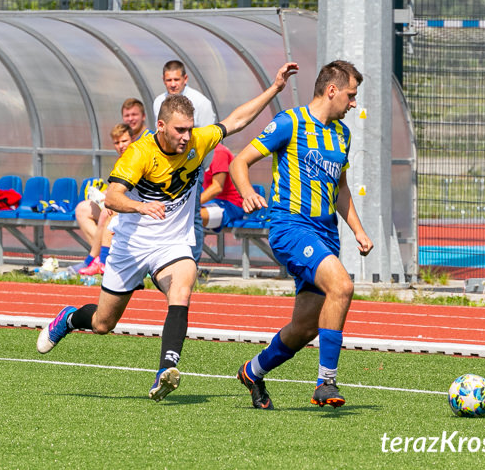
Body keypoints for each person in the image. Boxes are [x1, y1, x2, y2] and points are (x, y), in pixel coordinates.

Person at [38, 61, 299, 403]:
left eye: (190, 129)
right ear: (161, 126)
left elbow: (236, 120)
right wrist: (141, 206)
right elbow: (114, 196)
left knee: (183, 284)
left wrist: (274, 88)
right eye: (179, 130)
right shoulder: (139, 154)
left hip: (172, 243)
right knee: (103, 323)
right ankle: (69, 319)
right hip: (132, 244)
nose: (186, 137)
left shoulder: (197, 141)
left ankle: (166, 369)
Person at [231, 60, 373, 410]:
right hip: (291, 226)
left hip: (327, 234)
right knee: (342, 286)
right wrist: (247, 190)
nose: (354, 104)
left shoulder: (342, 135)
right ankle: (326, 382)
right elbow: (239, 162)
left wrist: (358, 229)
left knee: (305, 328)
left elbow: (340, 186)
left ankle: (253, 371)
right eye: (351, 96)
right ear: (332, 90)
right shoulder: (289, 123)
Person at [153, 61, 216, 262]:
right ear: (163, 80)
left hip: (192, 169)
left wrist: (199, 167)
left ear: (185, 79)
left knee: (193, 216)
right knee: (167, 214)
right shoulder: (158, 102)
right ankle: (165, 261)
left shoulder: (201, 102)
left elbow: (209, 138)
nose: (172, 84)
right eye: (168, 80)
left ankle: (192, 264)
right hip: (166, 168)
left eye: (176, 79)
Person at [70, 123, 133, 276]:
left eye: (124, 141)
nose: (121, 146)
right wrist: (101, 194)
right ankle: (100, 257)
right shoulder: (120, 161)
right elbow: (114, 186)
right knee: (83, 209)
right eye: (117, 143)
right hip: (119, 206)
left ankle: (99, 261)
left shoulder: (136, 158)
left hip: (134, 208)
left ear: (133, 139)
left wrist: (110, 200)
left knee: (107, 212)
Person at [199, 144, 245, 232]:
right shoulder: (196, 152)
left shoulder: (219, 152)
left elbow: (217, 187)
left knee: (188, 217)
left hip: (231, 206)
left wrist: (189, 205)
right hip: (211, 202)